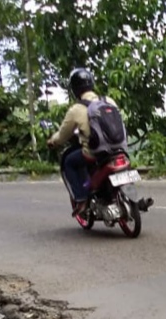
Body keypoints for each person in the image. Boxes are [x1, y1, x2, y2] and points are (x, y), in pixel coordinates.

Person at [47, 68, 120, 216]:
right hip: (118, 148)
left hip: (96, 153)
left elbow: (62, 135)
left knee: (69, 162)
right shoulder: (109, 101)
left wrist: (53, 141)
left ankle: (81, 199)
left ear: (74, 89)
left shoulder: (77, 109)